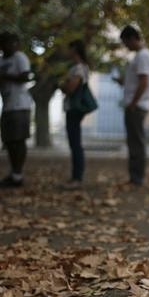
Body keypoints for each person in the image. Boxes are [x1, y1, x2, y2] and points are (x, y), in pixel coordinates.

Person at [0, 32, 32, 188]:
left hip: (20, 105)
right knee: (9, 141)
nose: (11, 46)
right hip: (7, 105)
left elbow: (25, 77)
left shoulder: (20, 58)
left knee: (19, 140)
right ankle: (14, 173)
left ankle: (18, 173)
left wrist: (4, 75)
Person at [118, 25, 149, 186]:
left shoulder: (143, 56)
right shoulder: (141, 56)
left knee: (136, 142)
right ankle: (135, 176)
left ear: (132, 38)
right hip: (136, 104)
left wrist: (133, 103)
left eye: (126, 43)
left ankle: (137, 177)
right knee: (134, 141)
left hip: (137, 106)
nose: (126, 47)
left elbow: (144, 81)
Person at [60, 39, 91, 189]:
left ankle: (77, 177)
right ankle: (76, 176)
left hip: (74, 109)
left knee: (75, 143)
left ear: (75, 50)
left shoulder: (78, 68)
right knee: (75, 143)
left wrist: (63, 85)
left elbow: (71, 88)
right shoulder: (82, 67)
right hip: (73, 109)